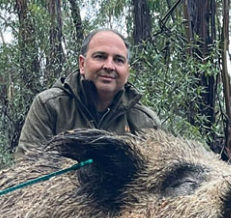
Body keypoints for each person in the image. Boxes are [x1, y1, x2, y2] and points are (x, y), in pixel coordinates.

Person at [15, 29, 160, 158]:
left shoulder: (146, 122)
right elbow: (27, 169)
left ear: (127, 70)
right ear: (82, 64)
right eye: (100, 56)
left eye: (118, 60)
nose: (109, 66)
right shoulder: (50, 106)